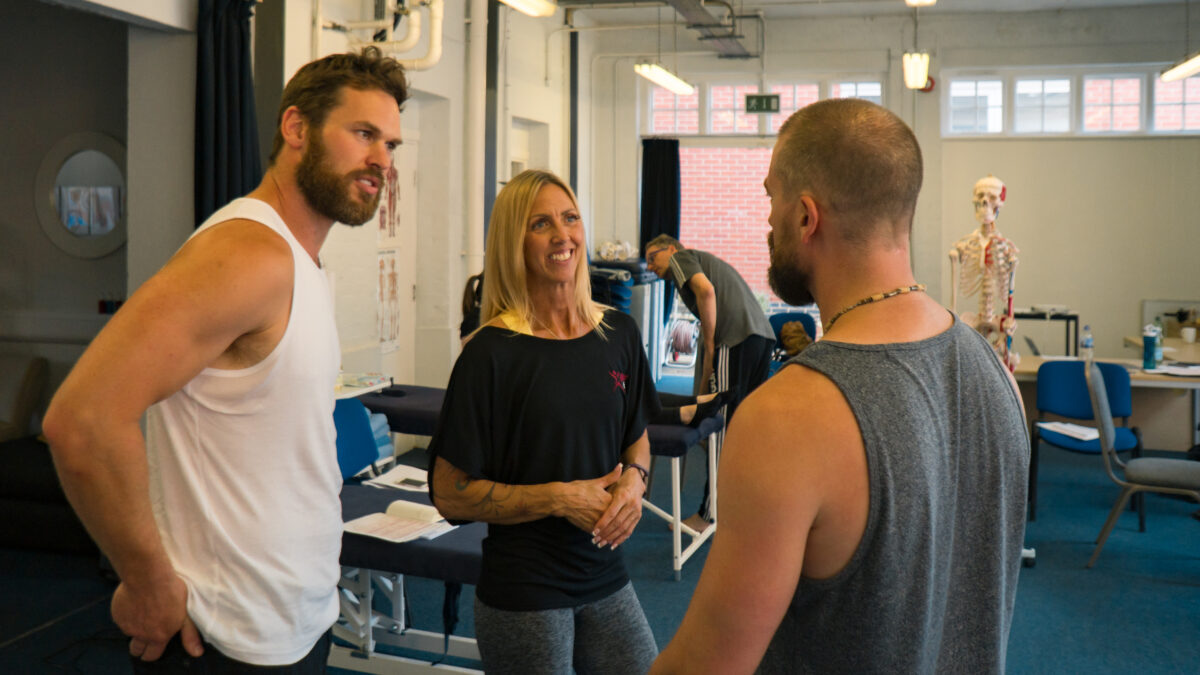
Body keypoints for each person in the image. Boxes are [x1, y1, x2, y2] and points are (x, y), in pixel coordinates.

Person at [42, 47, 408, 672]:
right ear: (296, 128)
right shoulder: (246, 254)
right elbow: (82, 422)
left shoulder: (301, 261)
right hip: (222, 637)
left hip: (291, 619)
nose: (381, 159)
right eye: (363, 133)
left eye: (392, 144)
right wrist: (149, 582)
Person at [652, 98, 1029, 674]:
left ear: (806, 217)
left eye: (770, 197)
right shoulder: (994, 373)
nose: (767, 220)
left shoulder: (788, 416)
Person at [428, 169, 658, 674]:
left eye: (570, 218)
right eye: (540, 224)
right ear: (515, 243)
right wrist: (558, 498)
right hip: (526, 587)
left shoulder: (618, 332)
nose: (562, 235)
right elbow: (449, 492)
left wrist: (635, 484)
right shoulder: (490, 353)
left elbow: (637, 440)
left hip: (606, 572)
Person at [643, 234, 774, 533]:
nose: (650, 267)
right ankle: (741, 505)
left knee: (721, 429)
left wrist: (712, 344)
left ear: (672, 248)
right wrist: (703, 385)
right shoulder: (700, 261)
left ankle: (709, 515)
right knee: (742, 427)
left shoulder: (681, 258)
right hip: (760, 337)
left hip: (735, 339)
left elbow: (706, 291)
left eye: (653, 257)